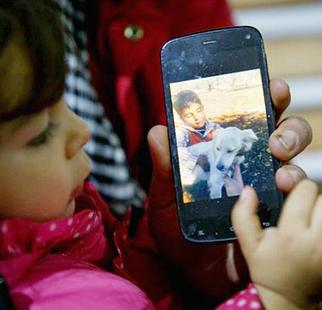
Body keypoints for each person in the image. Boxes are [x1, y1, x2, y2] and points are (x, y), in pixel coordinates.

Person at [0, 0, 316, 309]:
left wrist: (172, 260)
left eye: (66, 103)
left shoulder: (86, 230)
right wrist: (275, 297)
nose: (83, 130)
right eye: (42, 133)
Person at [173, 89, 244, 201]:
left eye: (199, 110)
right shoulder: (182, 133)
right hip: (198, 172)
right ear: (181, 118)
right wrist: (197, 159)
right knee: (190, 180)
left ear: (203, 108)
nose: (196, 118)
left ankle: (226, 189)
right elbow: (174, 150)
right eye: (188, 115)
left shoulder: (214, 128)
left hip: (216, 169)